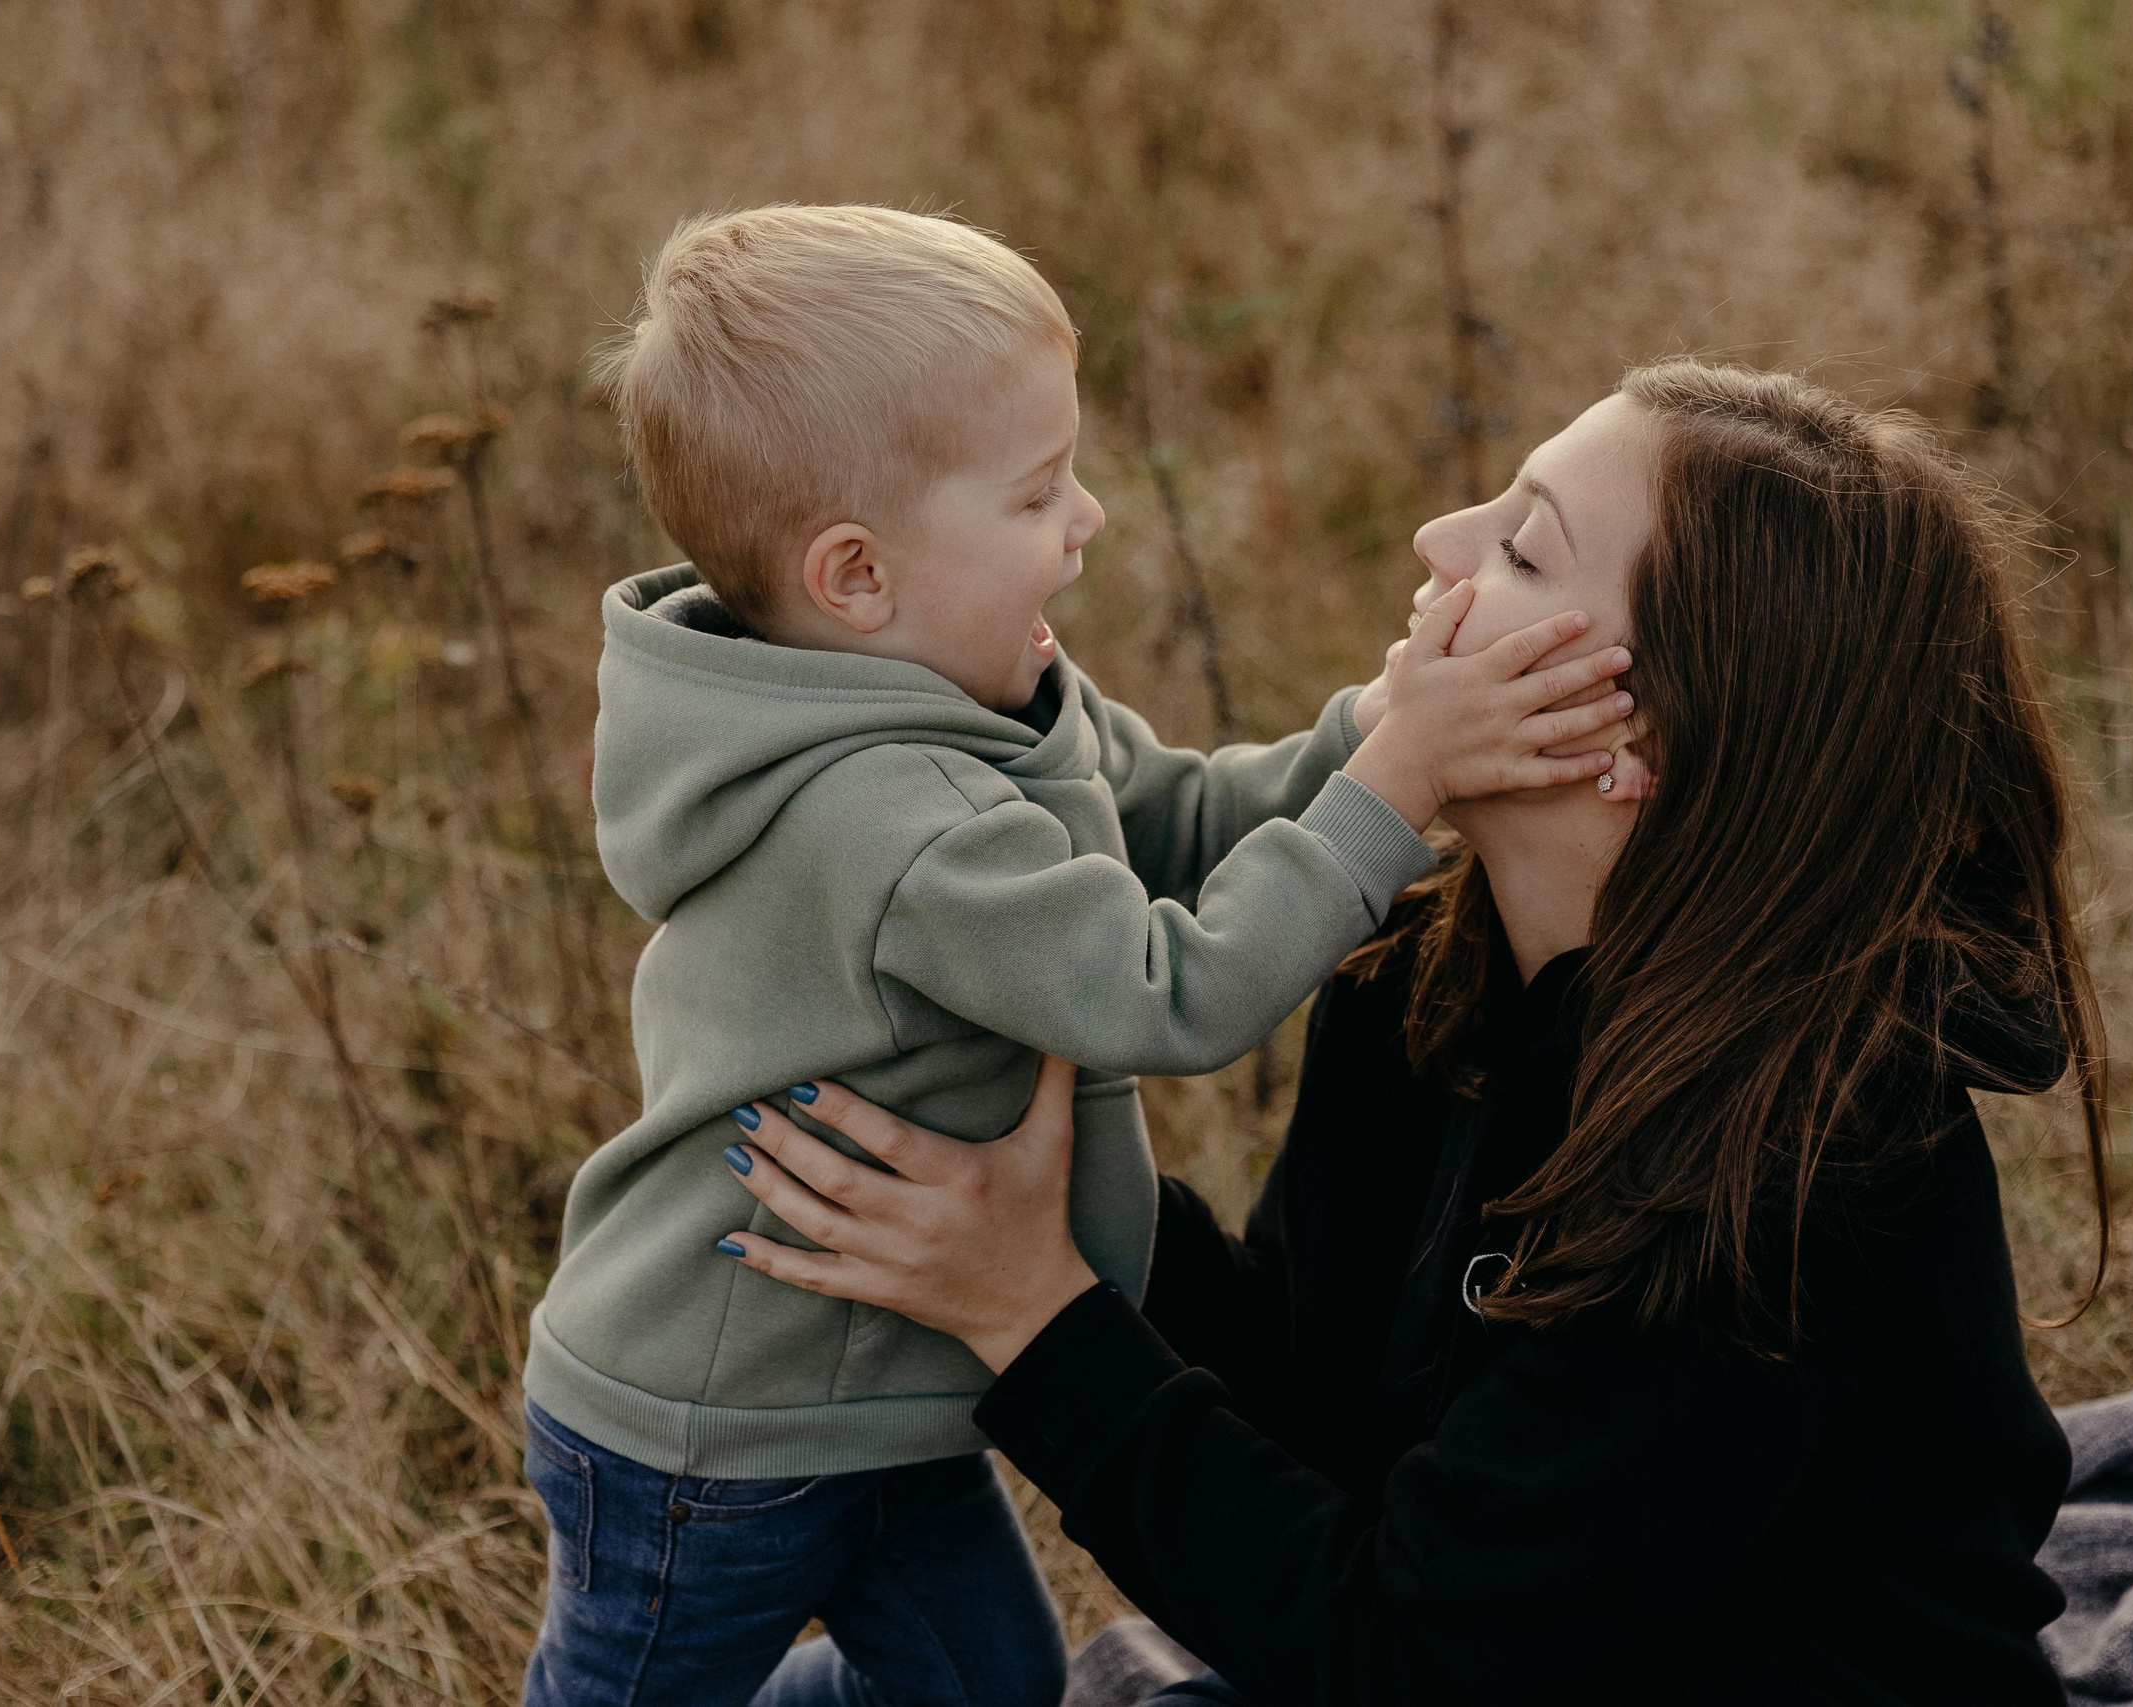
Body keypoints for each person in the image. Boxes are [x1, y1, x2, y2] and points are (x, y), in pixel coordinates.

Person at [717, 359, 2115, 1704]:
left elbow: (1409, 1665)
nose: (1438, 539)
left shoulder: (1792, 1164)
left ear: (1642, 743)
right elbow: (1325, 1394)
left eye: (1521, 550)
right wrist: (1050, 1218)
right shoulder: (1423, 962)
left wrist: (1041, 1326)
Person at [519, 204, 1636, 1707]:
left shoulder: (976, 685)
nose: (1089, 518)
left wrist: (1363, 741)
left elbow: (1169, 816)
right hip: (718, 1426)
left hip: (891, 1383)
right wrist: (1396, 800)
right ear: (857, 576)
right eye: (1039, 493)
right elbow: (1168, 994)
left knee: (990, 1686)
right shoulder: (893, 817)